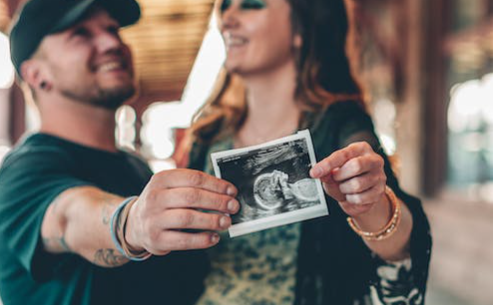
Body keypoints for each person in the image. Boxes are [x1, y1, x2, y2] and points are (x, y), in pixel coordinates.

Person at [188, 0, 432, 304]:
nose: (227, 19)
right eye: (224, 6)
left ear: (301, 30)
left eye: (251, 5)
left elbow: (405, 247)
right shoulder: (208, 136)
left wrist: (370, 201)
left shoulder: (340, 124)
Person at [0, 0, 241, 304]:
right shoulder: (23, 172)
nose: (112, 42)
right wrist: (133, 223)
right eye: (81, 34)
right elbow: (69, 217)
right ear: (37, 75)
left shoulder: (136, 167)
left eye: (112, 29)